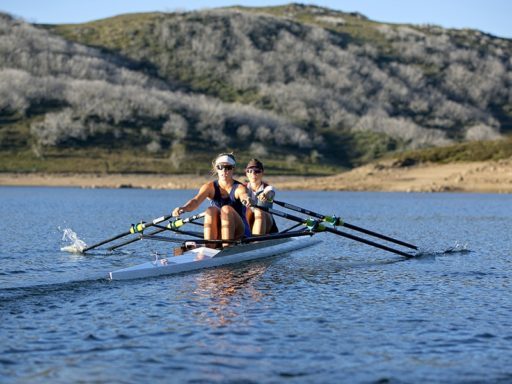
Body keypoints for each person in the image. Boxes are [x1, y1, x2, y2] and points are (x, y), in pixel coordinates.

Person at [172, 153, 252, 247]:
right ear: (216, 168)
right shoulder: (209, 187)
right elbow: (196, 201)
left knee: (226, 209)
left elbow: (243, 195)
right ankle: (209, 246)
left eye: (228, 167)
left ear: (233, 168)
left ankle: (227, 247)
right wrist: (184, 208)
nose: (224, 170)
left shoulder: (239, 188)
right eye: (220, 167)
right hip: (220, 231)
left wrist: (246, 199)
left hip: (240, 232)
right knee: (210, 210)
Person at [244, 158, 278, 235]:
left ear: (262, 173)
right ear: (246, 173)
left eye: (257, 171)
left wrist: (265, 194)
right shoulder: (242, 188)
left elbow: (271, 190)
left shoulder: (267, 188)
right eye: (250, 171)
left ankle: (257, 241)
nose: (253, 174)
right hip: (248, 222)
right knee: (248, 211)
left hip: (267, 222)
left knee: (258, 211)